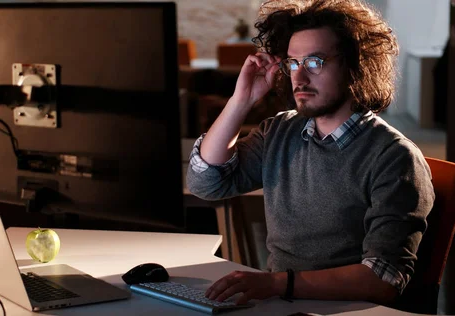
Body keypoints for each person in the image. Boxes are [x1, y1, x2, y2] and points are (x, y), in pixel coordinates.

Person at [186, 0, 435, 306]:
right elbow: (206, 184)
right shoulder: (280, 131)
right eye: (292, 63)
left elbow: (382, 279)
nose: (299, 79)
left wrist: (277, 283)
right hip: (279, 303)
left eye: (315, 62)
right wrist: (241, 101)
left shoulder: (395, 158)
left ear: (356, 66)